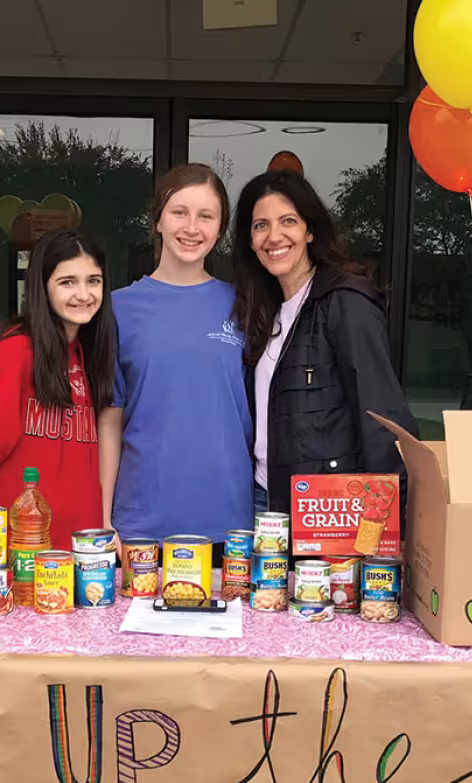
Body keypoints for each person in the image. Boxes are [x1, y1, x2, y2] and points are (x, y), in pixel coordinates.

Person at [231, 169, 418, 514]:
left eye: (288, 221)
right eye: (260, 226)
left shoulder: (344, 301)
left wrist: (393, 519)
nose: (274, 236)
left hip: (329, 511)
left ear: (310, 230)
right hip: (264, 501)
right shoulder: (261, 311)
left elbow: (381, 416)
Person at [98, 163, 253, 547]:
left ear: (220, 229)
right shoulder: (118, 308)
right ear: (158, 221)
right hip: (141, 525)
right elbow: (110, 421)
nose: (191, 227)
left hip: (230, 524)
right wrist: (103, 519)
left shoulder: (246, 306)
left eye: (206, 216)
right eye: (179, 212)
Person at [0, 228, 115, 563]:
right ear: (42, 287)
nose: (84, 293)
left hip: (77, 566)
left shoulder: (87, 355)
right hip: (15, 571)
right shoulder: (15, 354)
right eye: (67, 282)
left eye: (94, 280)